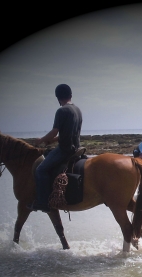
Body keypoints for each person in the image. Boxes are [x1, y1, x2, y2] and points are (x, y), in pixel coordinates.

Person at [28, 84, 83, 212]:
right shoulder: (77, 110)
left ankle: (43, 202)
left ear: (58, 98)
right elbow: (69, 133)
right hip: (77, 148)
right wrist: (52, 140)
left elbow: (55, 131)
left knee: (40, 170)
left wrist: (41, 140)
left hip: (65, 150)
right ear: (70, 95)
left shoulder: (62, 111)